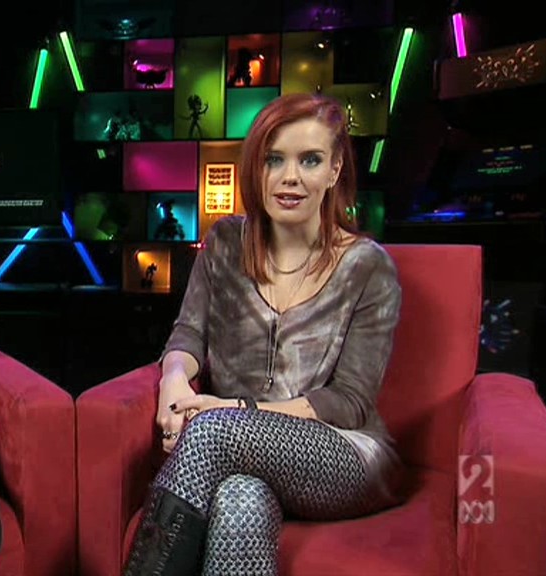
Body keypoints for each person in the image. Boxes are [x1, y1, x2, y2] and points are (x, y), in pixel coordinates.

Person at [123, 93, 404, 576]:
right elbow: (188, 335)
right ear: (256, 168)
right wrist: (174, 381)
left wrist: (234, 411)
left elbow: (350, 402)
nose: (290, 177)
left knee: (213, 431)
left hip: (344, 454)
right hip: (236, 454)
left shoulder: (367, 267)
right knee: (240, 501)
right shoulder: (225, 243)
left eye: (310, 160)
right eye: (274, 160)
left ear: (335, 169)